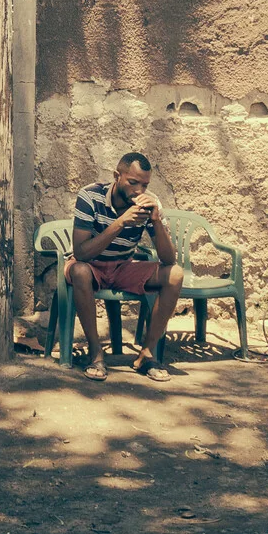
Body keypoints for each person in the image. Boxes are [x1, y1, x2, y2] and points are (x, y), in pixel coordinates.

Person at [69, 152, 183, 382]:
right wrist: (121, 223)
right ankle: (96, 353)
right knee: (79, 270)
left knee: (175, 274)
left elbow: (169, 259)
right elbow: (81, 253)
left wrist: (156, 220)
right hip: (90, 266)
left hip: (123, 266)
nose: (139, 190)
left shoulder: (149, 202)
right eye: (133, 182)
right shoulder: (90, 196)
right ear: (116, 177)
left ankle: (146, 354)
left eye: (144, 184)